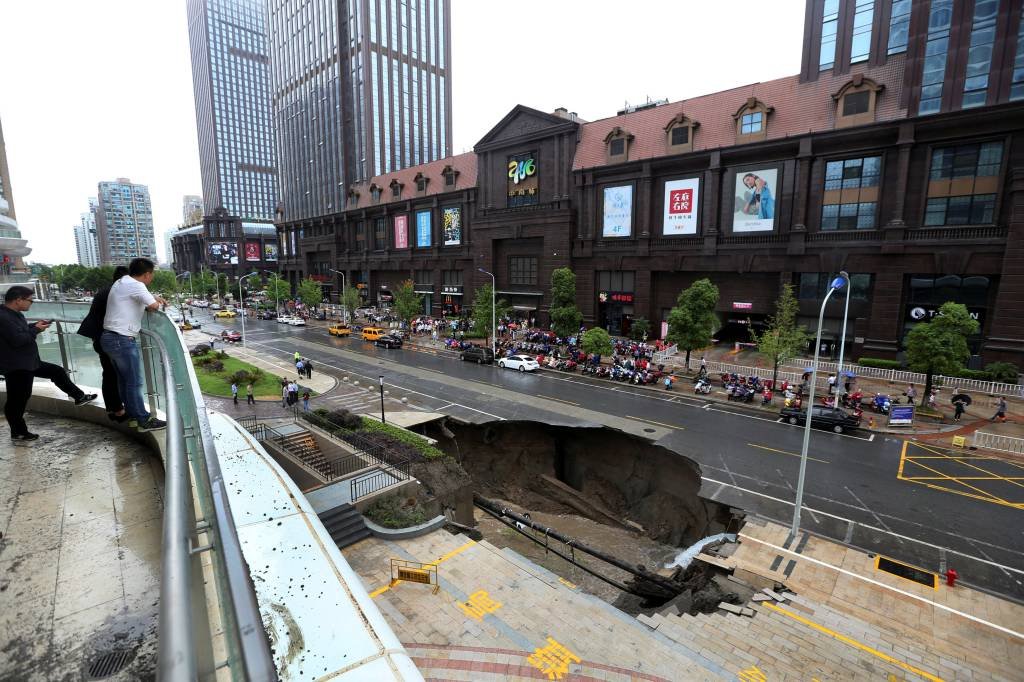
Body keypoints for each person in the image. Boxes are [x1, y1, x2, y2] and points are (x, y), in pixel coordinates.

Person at [0, 286, 98, 442]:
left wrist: (34, 326)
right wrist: (36, 330)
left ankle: (79, 396)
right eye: (30, 300)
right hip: (17, 366)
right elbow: (17, 340)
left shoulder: (15, 314)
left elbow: (21, 332)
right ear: (18, 300)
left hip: (29, 361)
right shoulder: (3, 317)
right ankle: (19, 432)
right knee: (17, 399)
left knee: (56, 371)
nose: (31, 303)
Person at [100, 257, 168, 432]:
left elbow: (135, 299)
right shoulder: (137, 285)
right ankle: (143, 420)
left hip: (109, 337)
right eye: (151, 274)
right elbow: (154, 306)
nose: (151, 278)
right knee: (134, 382)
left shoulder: (122, 281)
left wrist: (151, 298)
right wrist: (157, 301)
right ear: (147, 274)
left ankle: (133, 416)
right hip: (121, 339)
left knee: (124, 381)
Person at [78, 266, 130, 422]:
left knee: (109, 373)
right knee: (113, 374)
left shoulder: (108, 290)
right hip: (106, 338)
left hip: (100, 337)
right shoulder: (114, 292)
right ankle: (118, 411)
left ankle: (114, 410)